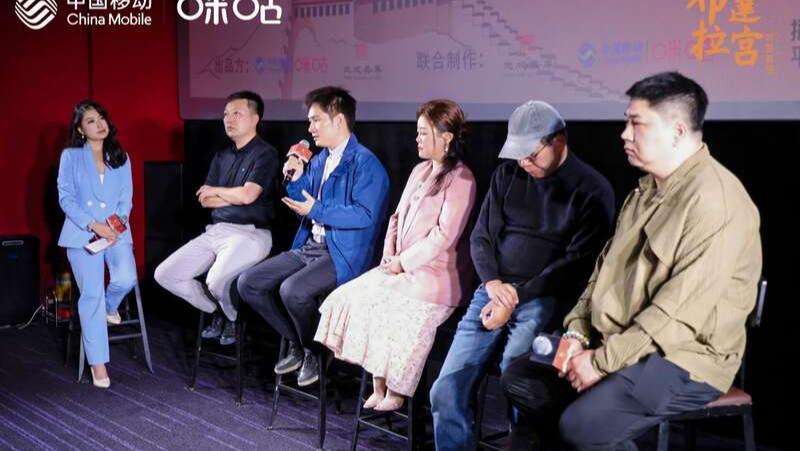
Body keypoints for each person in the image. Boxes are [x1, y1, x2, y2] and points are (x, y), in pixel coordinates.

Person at [501, 72, 763, 451]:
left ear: (677, 131)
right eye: (627, 122)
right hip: (621, 339)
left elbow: (674, 317)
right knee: (522, 379)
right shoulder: (646, 190)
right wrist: (577, 334)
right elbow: (602, 274)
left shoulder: (715, 201)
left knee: (581, 426)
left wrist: (600, 362)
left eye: (637, 124)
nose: (624, 134)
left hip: (684, 358)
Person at [429, 100, 616, 450]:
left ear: (558, 141)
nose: (524, 163)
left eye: (531, 154)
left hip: (545, 298)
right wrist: (493, 285)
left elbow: (577, 264)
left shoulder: (592, 189)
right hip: (494, 291)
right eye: (518, 155)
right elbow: (481, 237)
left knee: (518, 382)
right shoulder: (507, 175)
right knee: (445, 389)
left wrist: (517, 296)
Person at [315, 99, 476, 411]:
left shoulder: (461, 179)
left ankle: (397, 387)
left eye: (423, 133)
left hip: (434, 276)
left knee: (393, 310)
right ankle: (378, 382)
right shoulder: (419, 171)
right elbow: (396, 217)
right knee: (350, 297)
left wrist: (404, 262)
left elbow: (444, 236)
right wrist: (390, 255)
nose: (417, 139)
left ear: (446, 137)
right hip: (401, 267)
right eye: (417, 132)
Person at [237, 86, 390, 387]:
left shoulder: (366, 163)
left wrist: (317, 209)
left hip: (342, 252)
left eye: (316, 120)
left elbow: (365, 215)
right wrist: (294, 179)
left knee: (292, 291)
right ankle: (301, 344)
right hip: (310, 246)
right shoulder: (320, 159)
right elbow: (302, 204)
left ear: (339, 120)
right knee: (249, 283)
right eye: (310, 121)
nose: (310, 128)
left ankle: (317, 353)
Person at [154, 91, 279, 345]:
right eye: (225, 114)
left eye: (236, 113)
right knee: (165, 274)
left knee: (216, 280)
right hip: (217, 230)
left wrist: (218, 192)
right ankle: (218, 311)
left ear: (254, 119)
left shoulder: (265, 154)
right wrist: (228, 195)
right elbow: (204, 199)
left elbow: (248, 195)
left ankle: (233, 320)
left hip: (251, 233)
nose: (228, 119)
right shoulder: (221, 156)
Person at [57, 100, 137, 388]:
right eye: (91, 121)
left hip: (116, 232)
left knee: (126, 278)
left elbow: (126, 199)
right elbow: (66, 198)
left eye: (101, 117)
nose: (99, 124)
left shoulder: (121, 157)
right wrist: (94, 224)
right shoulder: (70, 157)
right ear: (81, 129)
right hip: (82, 234)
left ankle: (109, 308)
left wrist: (115, 226)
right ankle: (98, 364)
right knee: (91, 295)